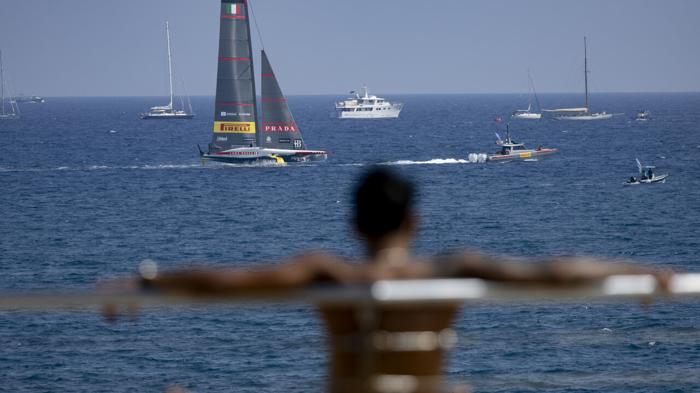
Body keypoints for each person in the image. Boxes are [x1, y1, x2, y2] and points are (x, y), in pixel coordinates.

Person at [109, 168, 664, 393]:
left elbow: (229, 282)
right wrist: (637, 270)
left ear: (353, 224)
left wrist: (145, 279)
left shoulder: (327, 272)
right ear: (414, 222)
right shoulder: (449, 269)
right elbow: (556, 272)